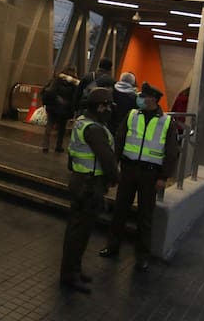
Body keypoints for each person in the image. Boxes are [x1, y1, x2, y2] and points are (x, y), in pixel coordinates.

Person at [99, 82, 178, 271]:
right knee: (120, 210)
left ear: (152, 99)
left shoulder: (166, 122)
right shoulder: (133, 115)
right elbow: (120, 140)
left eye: (143, 96)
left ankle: (142, 255)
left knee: (145, 215)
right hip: (129, 169)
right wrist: (115, 165)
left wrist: (163, 177)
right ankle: (112, 246)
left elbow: (172, 151)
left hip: (150, 174)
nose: (140, 98)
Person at [60, 87, 119, 294]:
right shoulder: (94, 129)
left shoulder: (83, 122)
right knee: (79, 232)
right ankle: (69, 275)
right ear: (100, 106)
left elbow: (72, 154)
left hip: (81, 181)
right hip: (89, 185)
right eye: (108, 105)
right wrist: (114, 178)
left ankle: (74, 270)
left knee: (78, 230)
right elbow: (107, 159)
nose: (110, 109)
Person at [41, 66, 79, 153]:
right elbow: (75, 97)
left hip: (53, 106)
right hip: (65, 109)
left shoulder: (57, 79)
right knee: (62, 128)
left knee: (49, 125)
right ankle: (58, 146)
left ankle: (45, 146)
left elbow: (49, 91)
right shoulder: (74, 84)